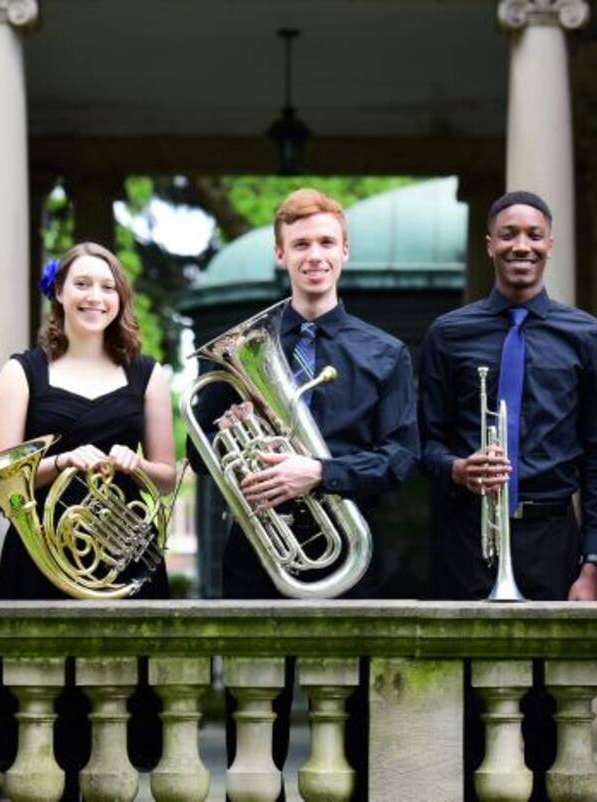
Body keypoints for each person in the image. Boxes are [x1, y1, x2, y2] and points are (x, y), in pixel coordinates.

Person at [187, 188, 419, 800]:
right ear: (280, 255)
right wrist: (228, 432)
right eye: (300, 245)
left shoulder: (384, 354)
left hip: (350, 558)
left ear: (344, 252)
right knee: (255, 703)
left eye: (324, 243)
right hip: (258, 551)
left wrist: (319, 472)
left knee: (348, 705)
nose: (313, 255)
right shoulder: (239, 350)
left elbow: (401, 458)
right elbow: (197, 454)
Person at [418, 190, 597, 800]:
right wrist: (458, 468)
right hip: (465, 535)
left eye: (533, 234)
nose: (521, 246)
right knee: (465, 696)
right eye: (508, 234)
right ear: (490, 246)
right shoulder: (448, 334)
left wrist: (592, 564)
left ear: (550, 243)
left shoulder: (586, 336)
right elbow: (420, 445)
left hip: (549, 536)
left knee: (544, 702)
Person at [0, 241, 178, 801]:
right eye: (84, 284)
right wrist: (64, 459)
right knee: (42, 717)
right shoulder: (23, 372)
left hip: (124, 564)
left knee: (119, 717)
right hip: (42, 562)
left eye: (108, 286)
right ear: (59, 294)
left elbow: (167, 474)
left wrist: (137, 463)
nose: (96, 296)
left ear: (121, 298)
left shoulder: (148, 375)